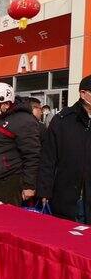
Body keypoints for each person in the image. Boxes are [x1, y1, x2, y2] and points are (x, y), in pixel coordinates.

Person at [38, 76, 91, 223]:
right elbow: (48, 158)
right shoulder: (63, 120)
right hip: (69, 196)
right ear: (83, 94)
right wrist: (44, 191)